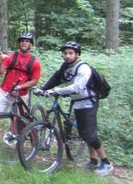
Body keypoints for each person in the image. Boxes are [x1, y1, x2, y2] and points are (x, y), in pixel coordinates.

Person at [38, 41, 114, 176]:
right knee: (85, 132)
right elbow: (56, 78)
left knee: (89, 134)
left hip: (88, 102)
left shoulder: (84, 69)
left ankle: (106, 163)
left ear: (77, 54)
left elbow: (77, 87)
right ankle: (93, 161)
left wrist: (56, 91)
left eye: (70, 53)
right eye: (65, 53)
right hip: (78, 102)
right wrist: (43, 89)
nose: (67, 56)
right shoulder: (66, 67)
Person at [0, 32, 41, 140]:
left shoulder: (35, 62)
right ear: (19, 44)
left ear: (31, 44)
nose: (24, 43)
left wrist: (20, 87)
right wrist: (0, 62)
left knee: (20, 121)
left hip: (21, 95)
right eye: (22, 41)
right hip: (4, 91)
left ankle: (18, 142)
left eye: (27, 41)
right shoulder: (12, 56)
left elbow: (34, 81)